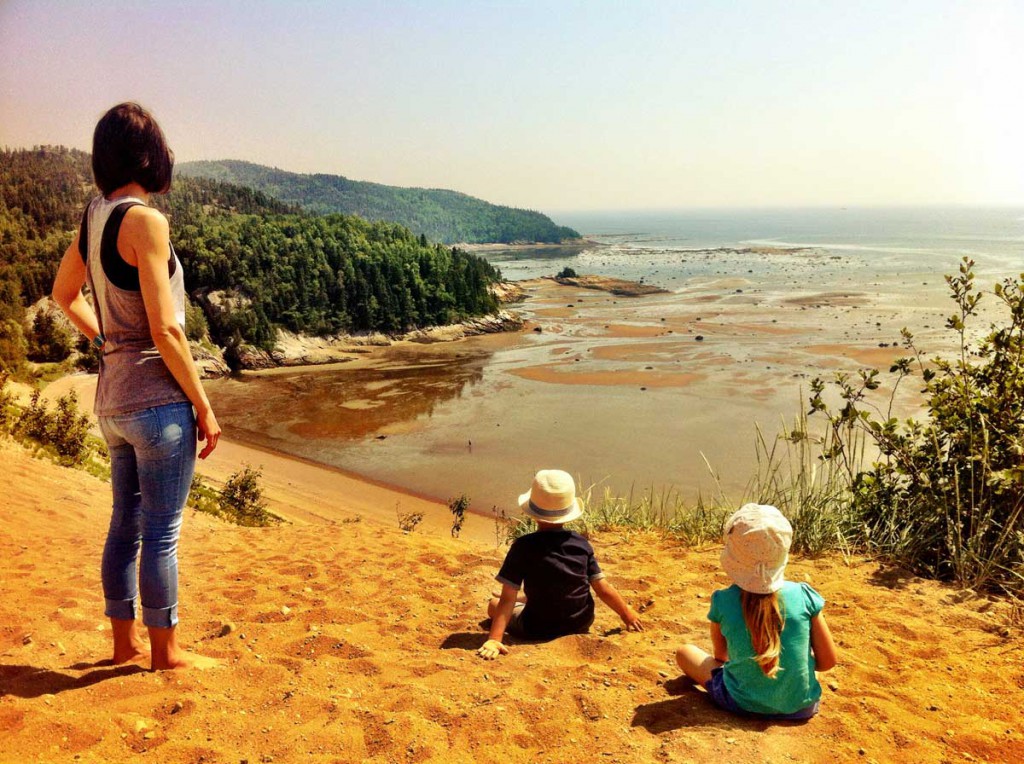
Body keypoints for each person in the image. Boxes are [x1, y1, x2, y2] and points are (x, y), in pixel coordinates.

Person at [52, 102, 221, 671]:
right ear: (152, 156)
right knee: (163, 531)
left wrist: (106, 340)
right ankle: (166, 654)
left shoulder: (93, 216)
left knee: (124, 522)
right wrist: (203, 403)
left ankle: (124, 646)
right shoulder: (145, 221)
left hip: (112, 401)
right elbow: (167, 327)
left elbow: (63, 294)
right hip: (157, 401)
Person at [675, 504, 838, 719]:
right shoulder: (804, 596)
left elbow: (721, 657)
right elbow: (827, 662)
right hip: (802, 708)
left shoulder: (723, 601)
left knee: (684, 652)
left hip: (740, 703)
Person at [478, 469, 643, 659]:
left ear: (533, 512)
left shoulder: (523, 546)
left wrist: (495, 638)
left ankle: (524, 599)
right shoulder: (581, 544)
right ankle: (525, 598)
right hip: (580, 623)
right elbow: (602, 588)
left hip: (537, 627)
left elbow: (507, 600)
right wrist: (627, 614)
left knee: (494, 604)